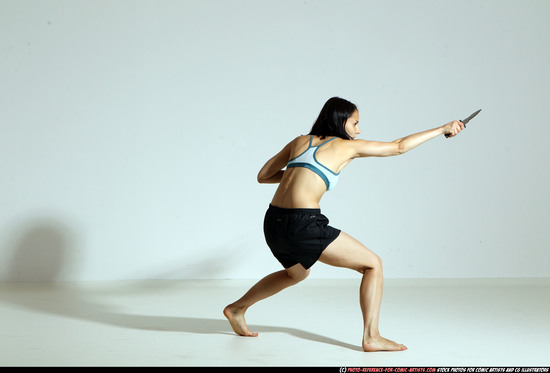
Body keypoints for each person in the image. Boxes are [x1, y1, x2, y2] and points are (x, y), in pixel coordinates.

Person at [223, 97, 465, 352]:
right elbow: (399, 147)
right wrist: (442, 129)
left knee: (296, 274)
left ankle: (237, 308)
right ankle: (372, 336)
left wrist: (303, 173)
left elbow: (263, 176)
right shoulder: (346, 147)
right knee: (373, 265)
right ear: (341, 121)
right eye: (356, 123)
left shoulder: (299, 142)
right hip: (302, 223)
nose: (359, 130)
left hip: (273, 222)